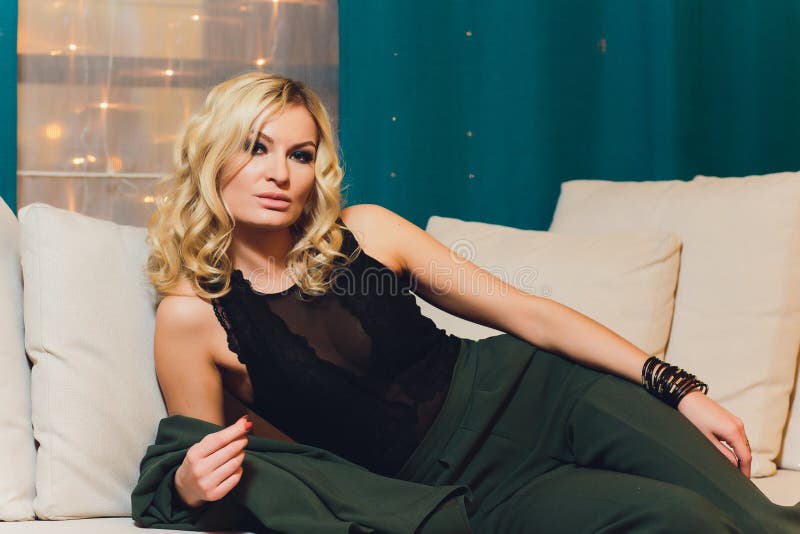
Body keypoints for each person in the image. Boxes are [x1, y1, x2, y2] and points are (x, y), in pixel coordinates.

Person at [143, 71, 800, 533]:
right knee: (682, 522)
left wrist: (678, 387)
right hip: (461, 493)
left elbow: (526, 312)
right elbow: (213, 485)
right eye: (255, 147)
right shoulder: (190, 321)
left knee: (757, 520)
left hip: (545, 394)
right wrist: (188, 486)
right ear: (211, 156)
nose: (280, 172)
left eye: (301, 153)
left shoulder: (367, 230)